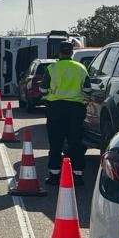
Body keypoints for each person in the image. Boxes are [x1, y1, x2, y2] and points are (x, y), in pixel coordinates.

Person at [39, 41, 91, 186]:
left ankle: (54, 175)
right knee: (76, 142)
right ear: (71, 53)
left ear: (59, 53)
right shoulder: (81, 68)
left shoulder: (52, 68)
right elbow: (87, 89)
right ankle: (78, 175)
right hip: (76, 109)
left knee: (56, 143)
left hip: (56, 109)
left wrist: (51, 93)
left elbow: (43, 90)